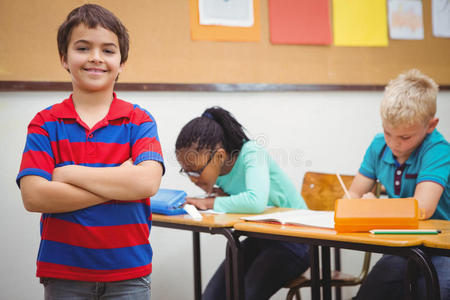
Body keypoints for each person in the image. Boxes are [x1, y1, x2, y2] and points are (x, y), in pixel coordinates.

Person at [16, 4, 164, 299]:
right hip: (64, 275)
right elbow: (34, 196)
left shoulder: (139, 121)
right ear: (64, 58)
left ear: (122, 62)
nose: (96, 57)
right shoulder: (46, 123)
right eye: (83, 48)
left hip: (130, 274)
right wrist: (120, 181)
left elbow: (146, 183)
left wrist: (68, 173)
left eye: (108, 50)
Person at [175, 106, 310, 300]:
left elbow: (255, 202)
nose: (193, 179)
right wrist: (220, 197)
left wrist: (210, 202)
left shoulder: (252, 153)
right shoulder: (218, 172)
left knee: (246, 295)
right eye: (186, 171)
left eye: (195, 171)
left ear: (220, 156)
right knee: (212, 297)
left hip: (296, 241)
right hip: (261, 238)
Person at [348, 69, 449, 300]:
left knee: (433, 292)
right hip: (406, 244)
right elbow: (353, 193)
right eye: (388, 133)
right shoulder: (378, 145)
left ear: (431, 125)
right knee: (370, 293)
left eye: (405, 137)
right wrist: (354, 205)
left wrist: (376, 209)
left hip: (443, 246)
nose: (395, 144)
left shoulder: (438, 150)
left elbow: (422, 208)